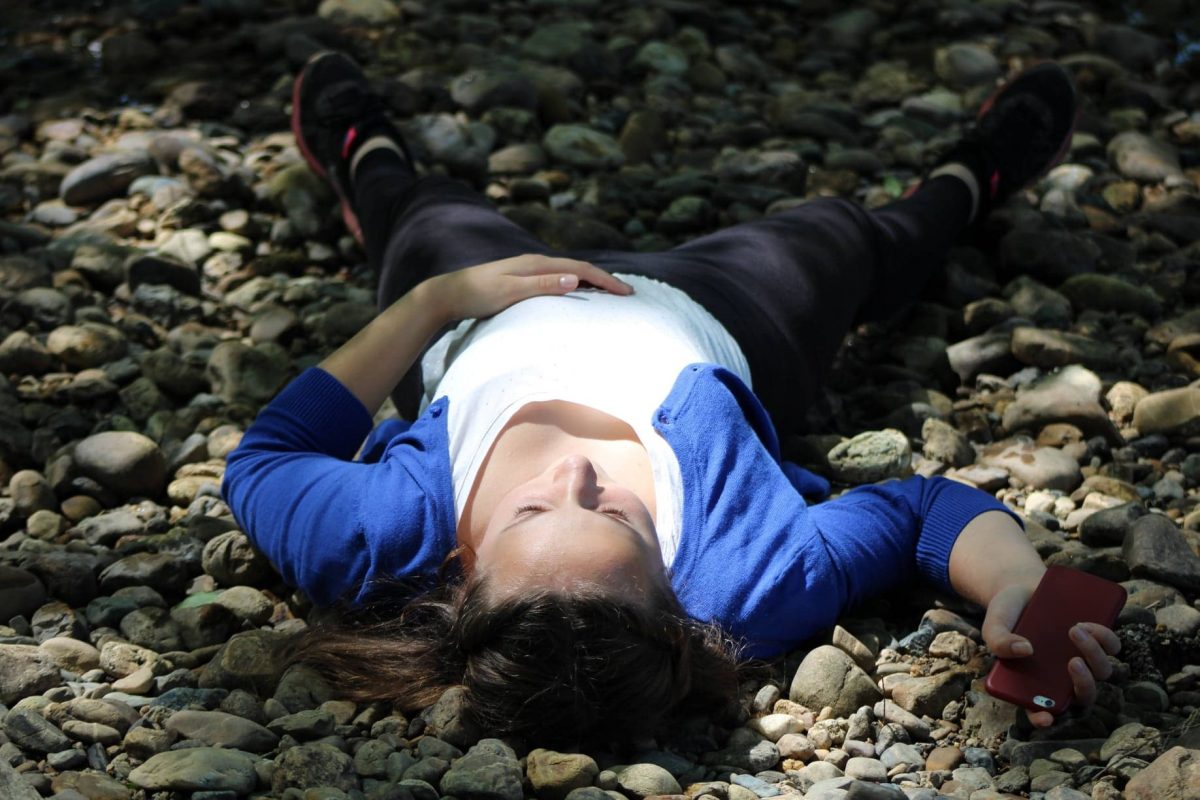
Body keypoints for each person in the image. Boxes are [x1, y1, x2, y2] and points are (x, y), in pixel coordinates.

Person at [221, 53, 1121, 745]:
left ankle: (362, 152)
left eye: (533, 507)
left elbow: (265, 458)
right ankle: (972, 179)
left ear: (462, 573)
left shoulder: (378, 537)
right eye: (617, 516)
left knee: (419, 217)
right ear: (677, 601)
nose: (578, 470)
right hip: (722, 311)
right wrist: (1015, 582)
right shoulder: (750, 578)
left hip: (491, 302)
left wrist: (436, 303)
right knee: (843, 234)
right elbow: (925, 510)